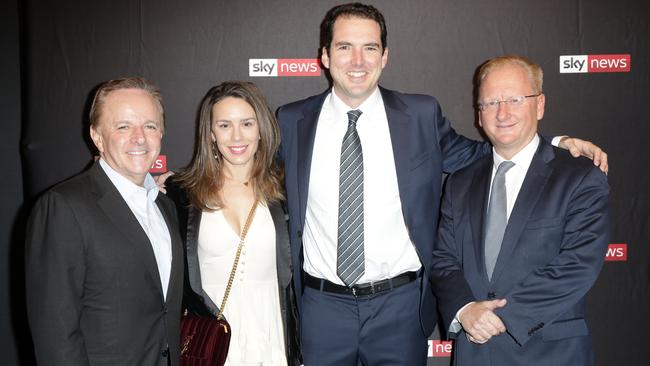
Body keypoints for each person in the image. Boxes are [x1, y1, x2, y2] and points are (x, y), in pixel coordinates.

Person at [276, 3, 608, 365]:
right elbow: (258, 178)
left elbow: (486, 153)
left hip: (399, 309)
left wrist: (554, 145)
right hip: (323, 306)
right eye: (344, 47)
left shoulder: (419, 115)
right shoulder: (294, 120)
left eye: (369, 48)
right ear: (325, 55)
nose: (358, 60)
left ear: (385, 56)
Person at [431, 55, 609, 365]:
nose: (502, 113)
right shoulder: (460, 182)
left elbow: (578, 264)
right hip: (474, 352)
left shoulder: (580, 177)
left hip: (549, 353)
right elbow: (443, 260)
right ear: (479, 113)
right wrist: (465, 310)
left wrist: (503, 318)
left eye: (514, 99)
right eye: (489, 103)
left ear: (539, 105)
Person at [25, 77, 184, 365]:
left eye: (150, 126)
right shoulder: (64, 206)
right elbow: (55, 334)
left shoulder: (165, 207)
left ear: (161, 133)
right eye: (123, 126)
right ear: (97, 136)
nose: (139, 137)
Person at [165, 81, 301, 366]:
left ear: (261, 128)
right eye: (224, 125)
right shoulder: (181, 193)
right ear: (211, 134)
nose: (236, 136)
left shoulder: (289, 191)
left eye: (247, 123)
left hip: (272, 335)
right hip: (212, 340)